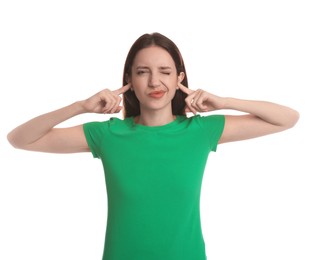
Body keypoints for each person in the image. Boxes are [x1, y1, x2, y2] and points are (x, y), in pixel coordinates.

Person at [7, 32, 299, 260]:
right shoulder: (108, 135)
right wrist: (80, 106)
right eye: (143, 72)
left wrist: (225, 102)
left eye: (165, 71)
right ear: (130, 81)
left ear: (179, 79)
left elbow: (286, 119)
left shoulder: (200, 131)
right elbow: (19, 139)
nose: (154, 81)